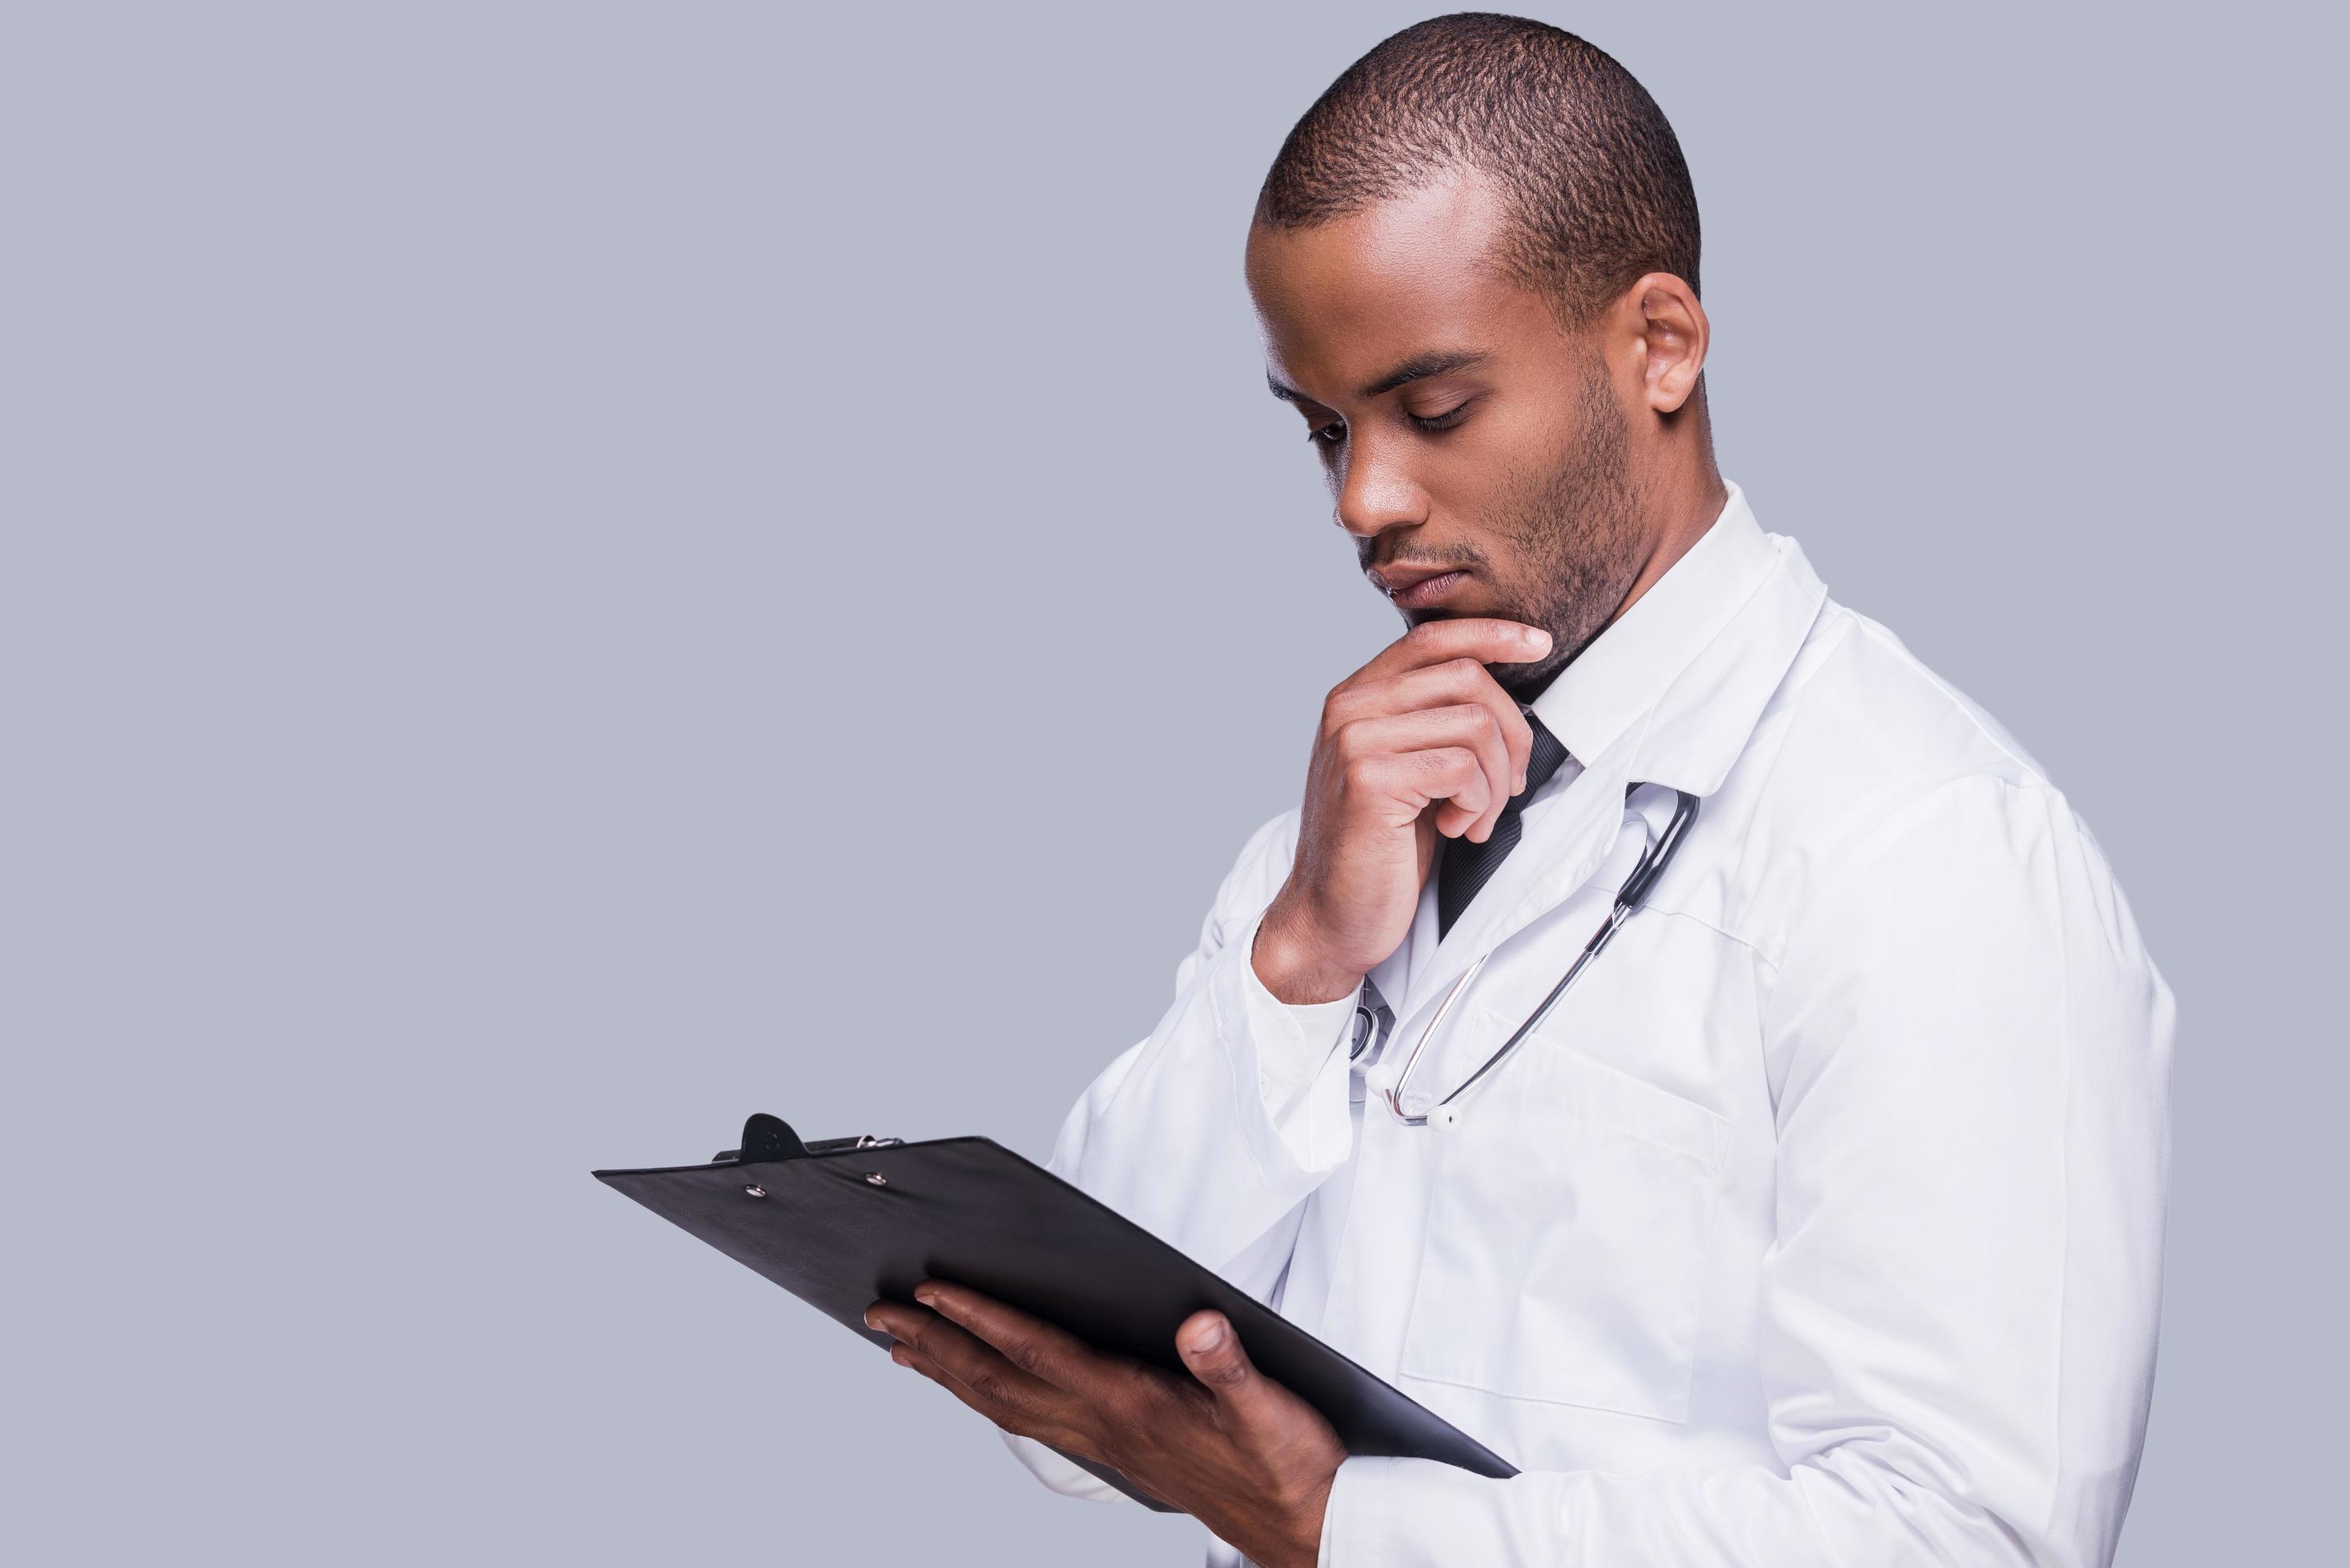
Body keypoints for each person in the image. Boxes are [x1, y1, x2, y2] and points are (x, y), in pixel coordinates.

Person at [862, 14, 2172, 1567]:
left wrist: (1334, 1522)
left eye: (1430, 408)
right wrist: (1289, 967)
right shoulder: (1339, 835)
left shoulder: (1925, 849)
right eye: (1322, 428)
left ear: (1659, 344)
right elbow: (1064, 1416)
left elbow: (1963, 1539)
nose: (1363, 500)